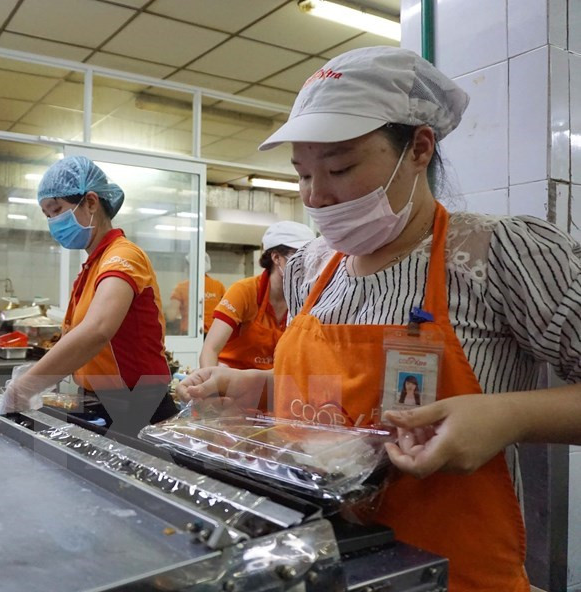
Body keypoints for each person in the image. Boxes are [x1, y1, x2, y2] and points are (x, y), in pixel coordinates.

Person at [178, 46, 581, 592]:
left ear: (418, 148)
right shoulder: (310, 268)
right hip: (319, 561)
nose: (317, 197)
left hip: (453, 571)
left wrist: (510, 416)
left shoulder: (499, 253)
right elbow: (347, 405)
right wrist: (260, 387)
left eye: (340, 167)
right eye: (301, 175)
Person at [2, 156, 176, 431]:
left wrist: (25, 387)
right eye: (48, 216)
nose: (53, 222)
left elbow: (97, 330)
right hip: (104, 404)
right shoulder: (93, 265)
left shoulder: (124, 256)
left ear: (91, 202)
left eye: (57, 209)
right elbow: (75, 338)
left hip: (139, 407)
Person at [199, 221, 314, 371]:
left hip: (274, 384)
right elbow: (210, 350)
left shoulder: (306, 298)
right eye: (298, 256)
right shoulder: (244, 291)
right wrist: (211, 389)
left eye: (310, 257)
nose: (305, 264)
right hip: (232, 382)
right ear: (276, 257)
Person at [165, 253, 225, 335]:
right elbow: (225, 313)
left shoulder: (182, 287)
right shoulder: (218, 286)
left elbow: (170, 316)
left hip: (190, 334)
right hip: (213, 335)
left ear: (190, 266)